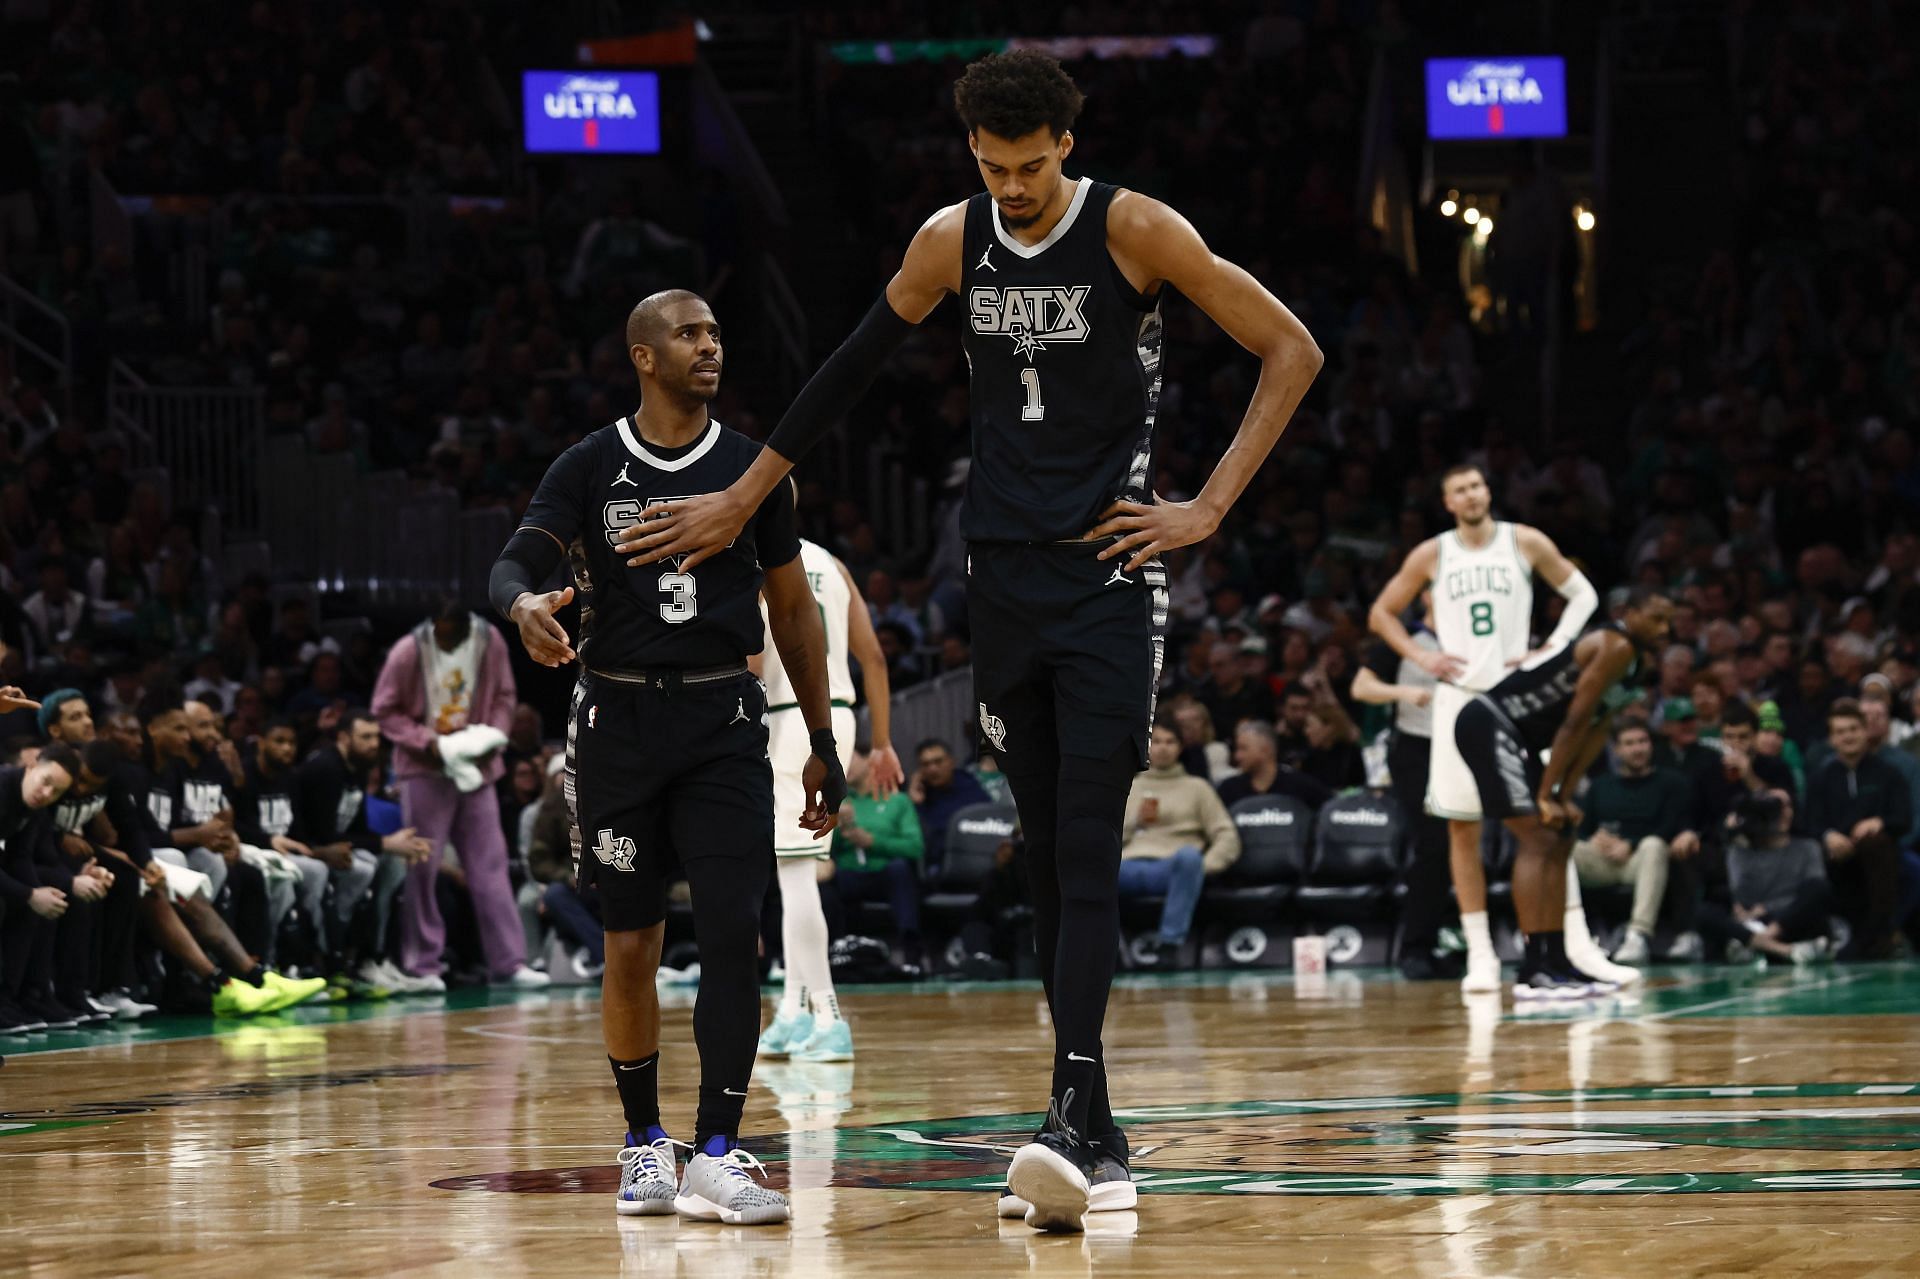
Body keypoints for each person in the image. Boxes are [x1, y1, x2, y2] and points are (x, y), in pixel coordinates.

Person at [613, 49, 1322, 1235]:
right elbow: (845, 371)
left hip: (1107, 581)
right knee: (1042, 855)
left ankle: (1073, 1114)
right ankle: (1093, 1136)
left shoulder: (1136, 228)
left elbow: (1290, 347)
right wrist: (745, 493)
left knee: (1089, 842)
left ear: (1067, 148)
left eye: (1031, 168)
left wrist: (1205, 509)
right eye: (993, 169)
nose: (1013, 189)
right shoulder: (954, 239)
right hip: (1004, 585)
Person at [488, 289, 846, 1227]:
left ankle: (720, 1152)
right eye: (689, 334)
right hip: (616, 727)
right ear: (644, 356)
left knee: (737, 938)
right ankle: (645, 1144)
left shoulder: (751, 469)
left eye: (717, 333)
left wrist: (819, 737)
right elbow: (514, 561)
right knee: (630, 945)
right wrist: (523, 605)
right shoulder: (589, 463)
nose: (710, 347)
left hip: (725, 721)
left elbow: (793, 610)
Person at [1367, 462, 1622, 994]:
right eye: (1459, 488)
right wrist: (1422, 654)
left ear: (1489, 492)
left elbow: (1585, 596)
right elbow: (1381, 614)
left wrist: (1555, 647)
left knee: (1548, 824)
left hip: (1521, 700)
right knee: (1462, 830)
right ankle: (1480, 953)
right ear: (1448, 503)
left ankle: (1575, 945)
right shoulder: (1432, 553)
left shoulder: (1524, 541)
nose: (1471, 494)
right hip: (1459, 700)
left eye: (1478, 485)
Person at [1453, 588, 1673, 997]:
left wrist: (1563, 794)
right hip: (1490, 723)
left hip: (1518, 737)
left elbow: (1597, 730)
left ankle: (1556, 962)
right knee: (1538, 836)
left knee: (1558, 835)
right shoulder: (1614, 644)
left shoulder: (1637, 664)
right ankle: (1533, 970)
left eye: (1669, 622)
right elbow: (1573, 723)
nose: (1666, 629)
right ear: (1629, 613)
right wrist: (1546, 793)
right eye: (1657, 619)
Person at [756, 538, 904, 1065]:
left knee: (795, 877)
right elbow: (875, 658)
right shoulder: (833, 563)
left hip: (788, 714)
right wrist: (882, 743)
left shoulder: (756, 556)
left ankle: (828, 1015)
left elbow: (752, 657)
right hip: (836, 717)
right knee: (793, 872)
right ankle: (793, 1010)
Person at [371, 599, 545, 990]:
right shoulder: (408, 651)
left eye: (455, 626)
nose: (448, 632)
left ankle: (509, 962)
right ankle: (422, 964)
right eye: (442, 626)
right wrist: (427, 742)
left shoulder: (490, 641)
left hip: (477, 767)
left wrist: (492, 737)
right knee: (423, 865)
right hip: (425, 769)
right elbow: (385, 709)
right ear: (433, 623)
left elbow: (503, 698)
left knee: (491, 865)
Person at [1351, 599, 1457, 979]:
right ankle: (1415, 947)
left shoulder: (1469, 637)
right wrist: (1402, 694)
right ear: (1429, 596)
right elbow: (1362, 688)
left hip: (1459, 750)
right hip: (1415, 750)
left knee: (1454, 851)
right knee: (1432, 847)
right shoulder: (1404, 641)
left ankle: (1442, 941)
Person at [291, 710, 431, 990]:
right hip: (308, 849)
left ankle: (373, 959)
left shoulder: (359, 767)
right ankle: (333, 953)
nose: (373, 744)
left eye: (376, 737)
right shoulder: (325, 769)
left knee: (393, 864)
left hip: (336, 847)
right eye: (365, 737)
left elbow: (357, 828)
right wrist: (385, 842)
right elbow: (325, 835)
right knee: (363, 867)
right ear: (343, 738)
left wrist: (390, 844)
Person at [1117, 721, 1240, 966]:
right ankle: (1108, 949)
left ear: (1180, 748)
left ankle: (1170, 945)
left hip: (1173, 867)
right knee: (1092, 865)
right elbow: (1107, 838)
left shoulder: (1198, 788)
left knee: (1189, 858)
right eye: (1157, 741)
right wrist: (1134, 821)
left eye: (1170, 742)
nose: (1163, 748)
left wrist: (1201, 868)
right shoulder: (1127, 785)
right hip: (1126, 867)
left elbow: (1227, 836)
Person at [1569, 720, 1690, 964]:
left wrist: (1631, 844)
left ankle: (1638, 936)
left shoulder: (1672, 782)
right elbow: (1583, 830)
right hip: (1603, 860)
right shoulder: (1601, 786)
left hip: (1641, 862)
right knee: (1564, 850)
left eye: (1643, 742)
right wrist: (1595, 839)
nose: (1638, 749)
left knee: (1654, 845)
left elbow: (1670, 827)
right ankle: (1566, 934)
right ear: (1616, 749)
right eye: (1629, 743)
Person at [1805, 699, 1911, 959]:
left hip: (1877, 857)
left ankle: (1878, 937)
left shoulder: (1889, 774)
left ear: (1865, 732)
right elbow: (1809, 821)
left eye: (1853, 729)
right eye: (1840, 732)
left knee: (1878, 844)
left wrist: (1881, 822)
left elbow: (1904, 818)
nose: (1848, 736)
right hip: (1834, 857)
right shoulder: (1821, 778)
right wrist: (1828, 836)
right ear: (1831, 739)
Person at [1695, 789, 1832, 964]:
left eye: (1787, 806)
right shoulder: (1739, 851)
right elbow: (1739, 894)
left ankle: (1758, 943)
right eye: (1776, 808)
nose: (1783, 813)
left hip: (1787, 920)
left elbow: (1813, 893)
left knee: (1819, 889)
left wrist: (1767, 908)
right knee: (1705, 910)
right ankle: (1784, 950)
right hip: (1751, 922)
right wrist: (1732, 836)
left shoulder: (1808, 847)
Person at [821, 741, 924, 965]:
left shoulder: (897, 800)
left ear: (869, 760)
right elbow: (824, 850)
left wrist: (873, 842)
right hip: (848, 874)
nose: (841, 766)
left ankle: (911, 953)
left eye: (849, 757)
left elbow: (915, 847)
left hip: (885, 873)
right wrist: (836, 828)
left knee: (900, 870)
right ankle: (833, 954)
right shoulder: (838, 802)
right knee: (825, 881)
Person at [907, 738, 990, 872]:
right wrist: (915, 803)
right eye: (925, 764)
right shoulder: (920, 794)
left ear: (951, 762)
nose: (932, 769)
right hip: (937, 863)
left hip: (974, 855)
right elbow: (918, 839)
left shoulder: (968, 785)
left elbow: (987, 819)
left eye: (938, 762)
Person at [1214, 720, 1332, 809]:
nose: (1237, 756)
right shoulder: (1228, 789)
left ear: (1266, 750)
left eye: (1243, 749)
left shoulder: (1300, 786)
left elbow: (1331, 810)